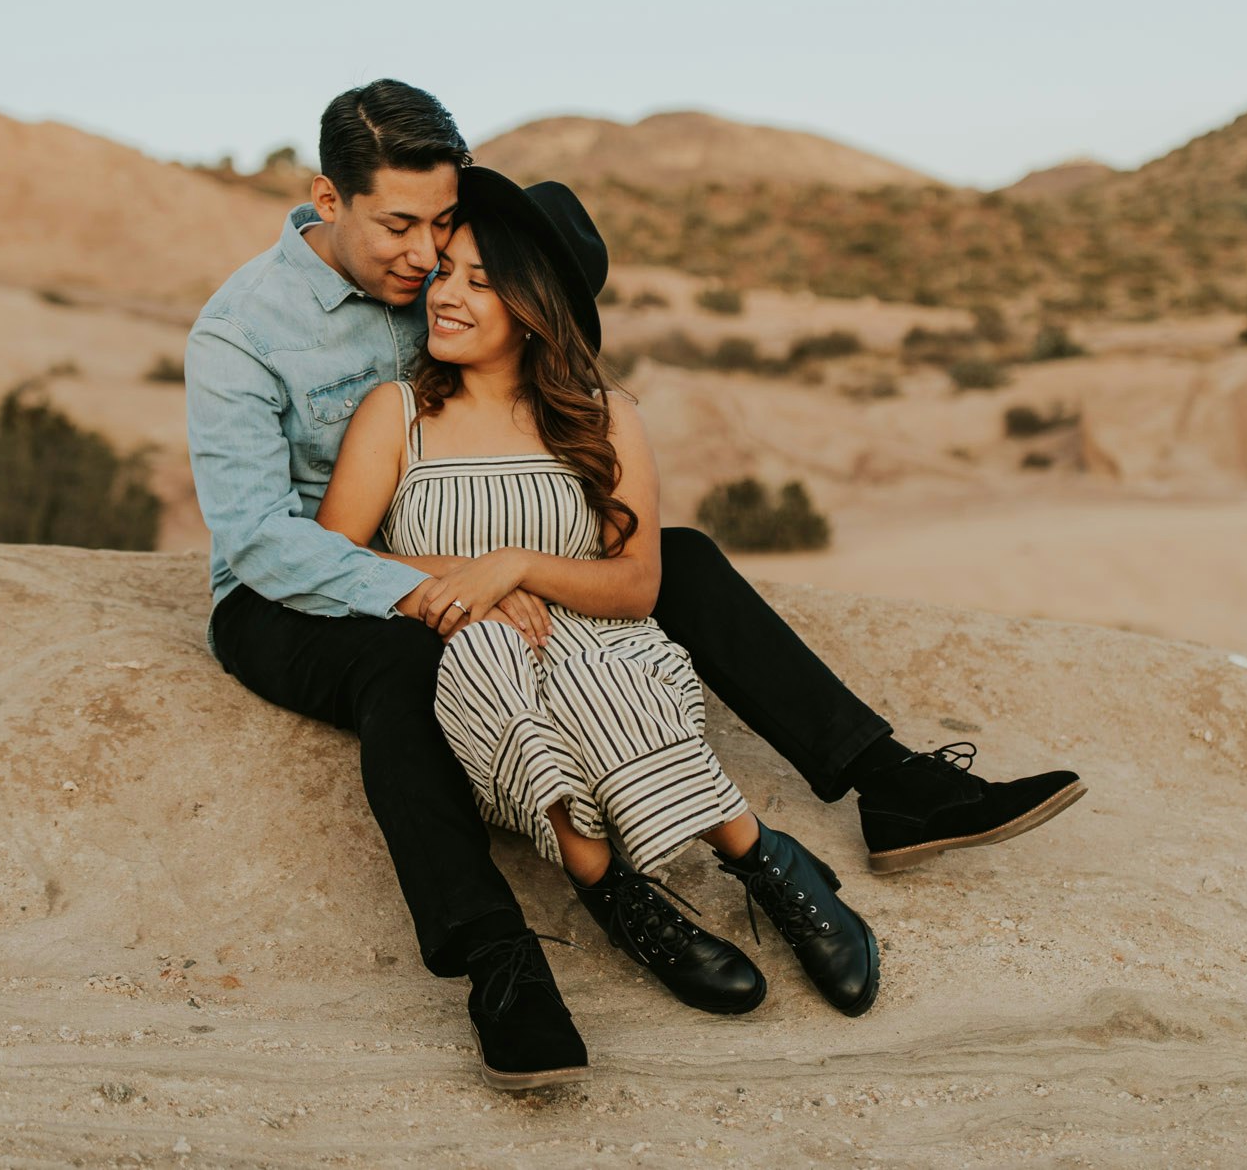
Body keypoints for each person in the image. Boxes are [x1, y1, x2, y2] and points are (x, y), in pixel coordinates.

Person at [184, 79, 1084, 1090]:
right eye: (401, 225)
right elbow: (262, 541)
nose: (427, 257)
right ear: (328, 197)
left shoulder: (437, 284)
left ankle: (892, 786)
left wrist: (517, 561)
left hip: (445, 549)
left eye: (443, 224)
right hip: (288, 593)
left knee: (681, 557)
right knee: (404, 663)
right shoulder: (241, 333)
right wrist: (451, 582)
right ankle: (500, 961)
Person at [312, 165, 886, 1051]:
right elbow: (335, 556)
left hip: (597, 646)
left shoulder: (606, 416)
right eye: (445, 272)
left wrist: (516, 565)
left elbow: (637, 585)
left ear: (536, 309)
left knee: (601, 668)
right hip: (474, 658)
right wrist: (468, 585)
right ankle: (610, 887)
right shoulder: (397, 413)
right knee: (485, 655)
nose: (445, 295)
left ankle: (763, 860)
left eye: (479, 281)